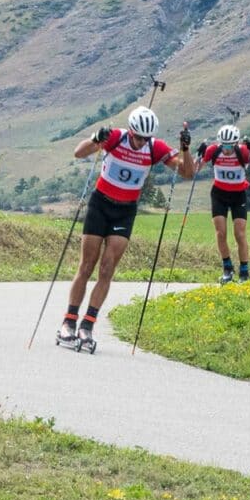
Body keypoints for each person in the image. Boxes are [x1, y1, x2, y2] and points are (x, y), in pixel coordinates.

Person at [58, 106, 193, 346]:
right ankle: (69, 321)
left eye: (146, 138)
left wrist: (185, 149)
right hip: (100, 204)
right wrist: (96, 138)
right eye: (138, 137)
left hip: (125, 211)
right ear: (130, 131)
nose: (142, 142)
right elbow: (79, 153)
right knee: (87, 265)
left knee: (107, 268)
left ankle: (87, 325)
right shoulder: (115, 137)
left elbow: (187, 173)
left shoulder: (154, 147)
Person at [195, 124, 250, 283]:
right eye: (224, 145)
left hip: (238, 195)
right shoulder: (213, 151)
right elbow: (195, 169)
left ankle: (244, 271)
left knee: (239, 234)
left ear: (236, 143)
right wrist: (198, 155)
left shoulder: (242, 151)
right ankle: (227, 268)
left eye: (230, 145)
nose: (226, 149)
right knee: (220, 232)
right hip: (219, 194)